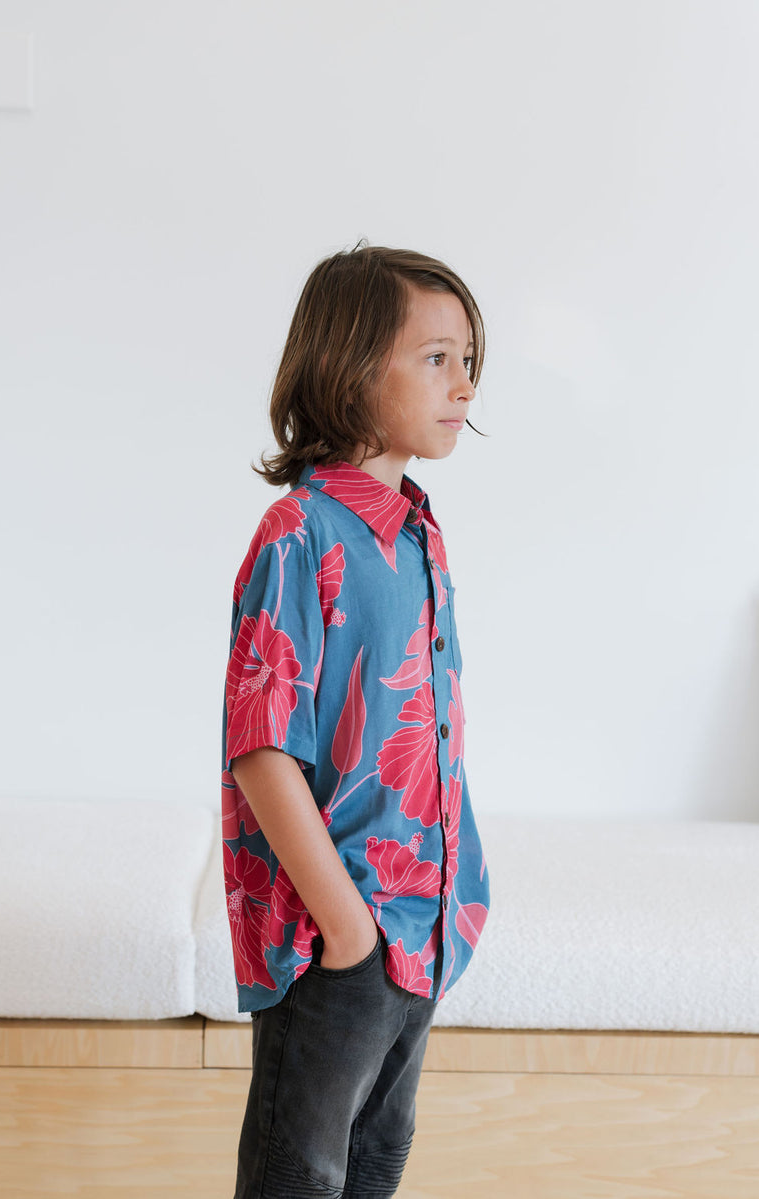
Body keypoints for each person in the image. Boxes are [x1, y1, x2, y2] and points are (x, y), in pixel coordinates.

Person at [221, 242, 490, 1198]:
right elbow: (262, 749)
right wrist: (346, 926)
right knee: (301, 1175)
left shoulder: (418, 532)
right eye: (435, 357)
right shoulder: (302, 535)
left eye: (468, 360)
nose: (463, 383)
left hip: (422, 924)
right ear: (347, 365)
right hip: (341, 931)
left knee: (377, 1160)